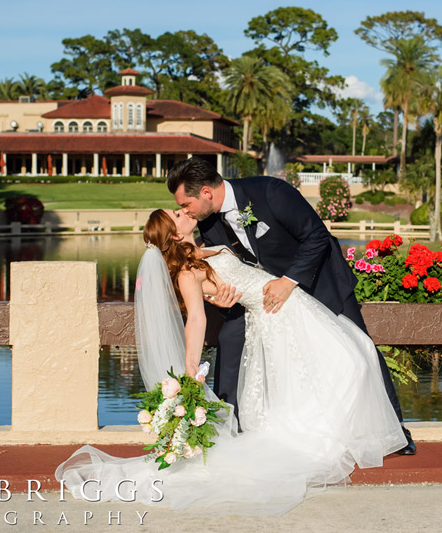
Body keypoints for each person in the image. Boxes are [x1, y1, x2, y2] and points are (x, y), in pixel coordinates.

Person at [55, 209, 406, 514]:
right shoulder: (186, 273)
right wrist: (191, 369)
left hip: (289, 305)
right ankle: (322, 437)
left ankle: (333, 431)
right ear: (175, 233)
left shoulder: (201, 249)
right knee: (350, 361)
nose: (183, 212)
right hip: (275, 315)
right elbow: (196, 318)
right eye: (177, 215)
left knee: (350, 357)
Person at [166, 157, 416, 455]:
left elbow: (317, 235)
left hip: (320, 282)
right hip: (269, 302)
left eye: (186, 203)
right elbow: (226, 268)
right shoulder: (208, 223)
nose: (185, 210)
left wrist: (289, 280)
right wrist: (220, 298)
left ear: (206, 192)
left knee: (360, 349)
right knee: (232, 339)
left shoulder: (270, 192)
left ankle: (394, 431)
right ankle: (232, 424)